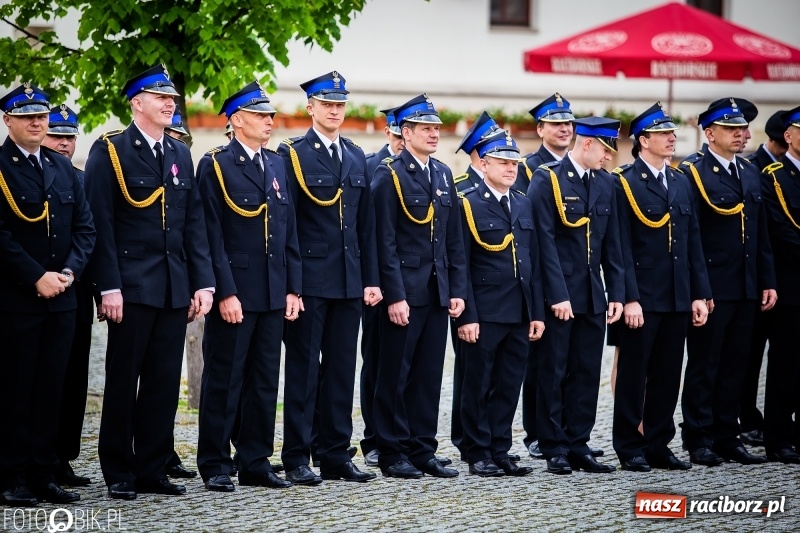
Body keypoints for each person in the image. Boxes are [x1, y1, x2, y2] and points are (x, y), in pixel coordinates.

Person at [86, 64, 215, 500]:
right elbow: (101, 224)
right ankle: (119, 470)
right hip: (130, 284)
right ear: (136, 102)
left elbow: (192, 224)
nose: (169, 102)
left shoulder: (179, 154)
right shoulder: (111, 150)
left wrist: (202, 283)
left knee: (163, 381)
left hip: (172, 285)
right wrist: (108, 286)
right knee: (124, 379)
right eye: (160, 96)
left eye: (172, 98)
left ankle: (153, 468)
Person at [196, 81, 300, 491]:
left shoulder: (276, 165)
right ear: (237, 120)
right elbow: (211, 235)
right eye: (260, 115)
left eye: (270, 115)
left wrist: (293, 288)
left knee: (263, 380)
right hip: (236, 292)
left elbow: (288, 232)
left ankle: (255, 460)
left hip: (274, 292)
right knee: (225, 378)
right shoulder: (216, 164)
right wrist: (225, 291)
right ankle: (216, 462)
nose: (269, 122)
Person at [277, 71, 380, 484]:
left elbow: (365, 226)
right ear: (311, 108)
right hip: (310, 279)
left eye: (340, 104)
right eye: (327, 104)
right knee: (302, 370)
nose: (335, 111)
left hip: (348, 279)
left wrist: (370, 279)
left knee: (340, 369)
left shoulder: (355, 155)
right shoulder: (292, 154)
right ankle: (297, 456)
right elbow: (287, 224)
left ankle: (335, 453)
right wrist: (293, 285)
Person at [0, 84, 95, 505]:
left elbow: (85, 229)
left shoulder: (61, 170)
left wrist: (69, 271)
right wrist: (36, 276)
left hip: (63, 298)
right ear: (8, 121)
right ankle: (11, 476)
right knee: (16, 390)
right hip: (16, 299)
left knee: (51, 389)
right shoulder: (1, 167)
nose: (38, 123)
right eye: (27, 117)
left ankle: (44, 471)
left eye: (40, 116)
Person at [371, 93, 468, 479]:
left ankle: (422, 447)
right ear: (406, 132)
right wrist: (394, 295)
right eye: (425, 128)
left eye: (436, 129)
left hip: (436, 290)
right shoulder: (389, 174)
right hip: (404, 292)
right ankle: (391, 450)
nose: (433, 134)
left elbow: (453, 240)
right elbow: (384, 241)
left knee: (428, 375)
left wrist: (456, 289)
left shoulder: (443, 174)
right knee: (395, 373)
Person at [611, 103, 711, 472]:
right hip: (644, 296)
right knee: (635, 375)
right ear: (643, 140)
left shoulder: (681, 181)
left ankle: (658, 443)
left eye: (672, 133)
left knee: (669, 374)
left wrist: (699, 293)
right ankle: (629, 445)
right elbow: (619, 246)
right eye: (663, 134)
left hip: (677, 295)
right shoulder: (624, 182)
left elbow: (692, 242)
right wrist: (629, 297)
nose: (672, 139)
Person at [679, 98, 776, 466]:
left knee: (737, 363)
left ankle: (727, 434)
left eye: (743, 129)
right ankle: (698, 436)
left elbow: (759, 232)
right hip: (713, 285)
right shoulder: (694, 172)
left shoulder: (750, 172)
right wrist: (699, 290)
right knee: (705, 363)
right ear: (709, 133)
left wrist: (767, 279)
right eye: (732, 129)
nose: (742, 134)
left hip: (747, 285)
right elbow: (691, 237)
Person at [529, 116, 624, 475]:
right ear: (586, 144)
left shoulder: (604, 182)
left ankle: (578, 442)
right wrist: (556, 294)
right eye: (604, 149)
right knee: (554, 369)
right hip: (560, 295)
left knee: (585, 370)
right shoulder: (548, 178)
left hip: (592, 294)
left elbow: (611, 243)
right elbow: (543, 241)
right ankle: (553, 445)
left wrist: (616, 291)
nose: (608, 157)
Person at [456, 129, 545, 478]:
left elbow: (531, 263)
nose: (511, 168)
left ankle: (500, 448)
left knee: (509, 385)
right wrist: (467, 315)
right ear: (484, 163)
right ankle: (477, 452)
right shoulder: (469, 203)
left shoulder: (522, 202)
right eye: (503, 162)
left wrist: (536, 312)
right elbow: (460, 263)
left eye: (514, 163)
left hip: (519, 311)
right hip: (485, 311)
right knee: (478, 384)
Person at [38, 104, 94, 489]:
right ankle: (34, 460)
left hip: (77, 291)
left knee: (73, 378)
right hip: (29, 292)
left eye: (69, 137)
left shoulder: (81, 178)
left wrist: (74, 274)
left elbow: (91, 232)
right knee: (35, 379)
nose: (63, 143)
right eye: (56, 136)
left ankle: (63, 458)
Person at [450, 111, 502, 461]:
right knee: (471, 373)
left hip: (506, 301)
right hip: (476, 297)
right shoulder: (462, 191)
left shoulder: (506, 188)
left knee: (497, 376)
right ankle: (466, 438)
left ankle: (488, 441)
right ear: (480, 154)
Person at [739, 110, 789, 447]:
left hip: (775, 278)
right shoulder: (754, 167)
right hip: (752, 279)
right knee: (749, 354)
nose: (743, 134)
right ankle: (746, 418)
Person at [360, 106, 403, 467]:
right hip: (378, 281)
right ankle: (373, 436)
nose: (404, 142)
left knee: (399, 365)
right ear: (389, 132)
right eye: (400, 135)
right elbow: (372, 234)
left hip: (408, 281)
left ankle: (396, 434)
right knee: (374, 359)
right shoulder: (373, 165)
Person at [758, 106, 800, 464]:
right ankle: (779, 436)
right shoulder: (775, 176)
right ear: (788, 136)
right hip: (791, 283)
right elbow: (783, 232)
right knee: (786, 363)